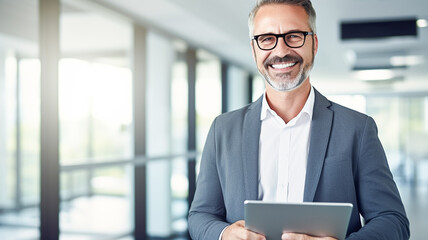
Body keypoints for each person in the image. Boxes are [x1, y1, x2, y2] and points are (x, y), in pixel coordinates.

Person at [188, 0, 410, 239]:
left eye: (294, 36)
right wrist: (223, 234)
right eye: (267, 38)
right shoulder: (223, 129)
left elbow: (392, 221)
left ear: (313, 44)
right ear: (254, 50)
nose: (281, 51)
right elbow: (200, 215)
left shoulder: (357, 128)